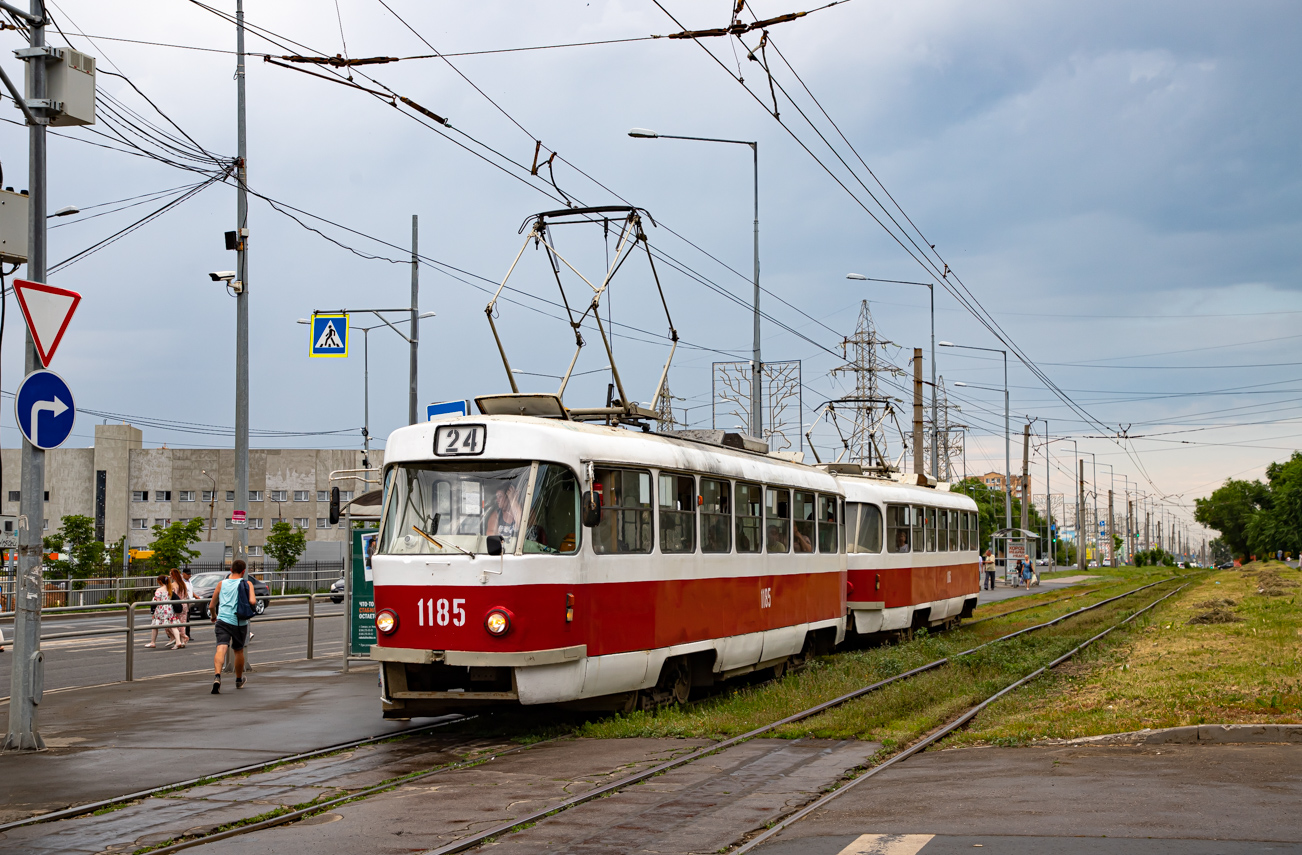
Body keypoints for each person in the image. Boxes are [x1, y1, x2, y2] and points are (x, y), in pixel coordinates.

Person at [209, 559, 257, 694]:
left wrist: (214, 616)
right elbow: (252, 601)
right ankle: (238, 679)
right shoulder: (247, 583)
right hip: (239, 622)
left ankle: (217, 676)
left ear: (231, 570)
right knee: (238, 650)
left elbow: (212, 605)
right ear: (243, 571)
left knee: (221, 647)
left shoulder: (221, 584)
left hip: (222, 620)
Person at [147, 573, 184, 649]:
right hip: (169, 608)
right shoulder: (170, 589)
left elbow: (157, 601)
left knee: (155, 626)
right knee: (173, 626)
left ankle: (152, 642)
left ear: (160, 581)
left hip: (160, 609)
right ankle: (178, 642)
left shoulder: (159, 590)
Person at [171, 568, 193, 643]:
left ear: (173, 576)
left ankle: (182, 638)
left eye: (170, 574)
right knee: (183, 623)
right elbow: (186, 594)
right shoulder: (183, 584)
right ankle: (182, 640)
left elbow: (172, 595)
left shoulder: (173, 585)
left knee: (174, 623)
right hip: (184, 604)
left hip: (177, 605)